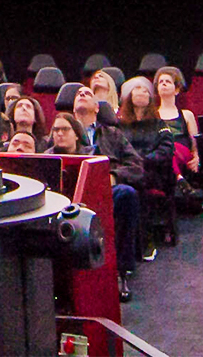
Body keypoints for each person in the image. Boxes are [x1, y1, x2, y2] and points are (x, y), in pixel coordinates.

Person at [70, 85, 147, 301]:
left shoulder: (112, 134)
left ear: (97, 108)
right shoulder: (63, 131)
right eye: (78, 94)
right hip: (71, 193)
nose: (82, 94)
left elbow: (137, 166)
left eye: (87, 93)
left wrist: (112, 176)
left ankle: (120, 272)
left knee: (127, 194)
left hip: (107, 190)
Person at [154, 66, 202, 200]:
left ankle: (179, 180)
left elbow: (194, 142)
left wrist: (196, 157)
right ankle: (179, 179)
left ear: (176, 90)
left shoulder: (186, 114)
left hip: (182, 151)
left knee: (168, 149)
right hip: (162, 152)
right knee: (164, 151)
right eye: (161, 82)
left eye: (167, 81)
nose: (163, 84)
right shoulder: (152, 115)